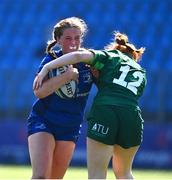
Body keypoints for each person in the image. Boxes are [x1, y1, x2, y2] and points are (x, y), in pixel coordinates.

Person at [34, 31, 147, 179]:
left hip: (106, 111)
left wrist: (47, 68)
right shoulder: (140, 71)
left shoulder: (109, 56)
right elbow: (120, 89)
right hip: (133, 115)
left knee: (97, 174)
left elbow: (78, 56)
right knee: (125, 173)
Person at [27, 17, 94, 179]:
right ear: (58, 40)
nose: (73, 42)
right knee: (41, 176)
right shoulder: (50, 59)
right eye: (68, 38)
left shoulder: (89, 61)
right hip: (44, 121)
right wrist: (66, 76)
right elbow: (39, 92)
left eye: (77, 38)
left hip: (70, 126)